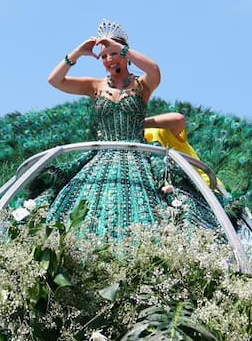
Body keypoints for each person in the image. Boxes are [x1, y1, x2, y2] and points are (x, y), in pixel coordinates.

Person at [45, 20, 217, 235]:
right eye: (104, 56)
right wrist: (78, 53)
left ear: (124, 55)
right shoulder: (95, 86)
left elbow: (154, 70)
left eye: (113, 54)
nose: (108, 59)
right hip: (101, 160)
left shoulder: (142, 85)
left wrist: (121, 48)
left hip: (137, 159)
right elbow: (55, 80)